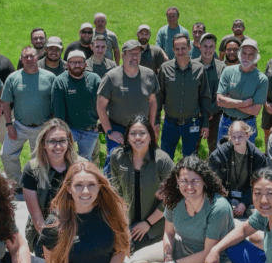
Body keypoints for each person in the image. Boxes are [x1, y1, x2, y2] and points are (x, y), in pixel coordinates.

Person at [40, 162, 173, 263]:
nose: (85, 190)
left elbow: (120, 250)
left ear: (99, 186)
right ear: (69, 188)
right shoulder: (55, 223)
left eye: (91, 184)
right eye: (78, 185)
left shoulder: (110, 211)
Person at [132, 156, 235, 263]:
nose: (189, 186)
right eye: (184, 181)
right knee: (134, 261)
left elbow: (208, 252)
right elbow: (168, 233)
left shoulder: (218, 208)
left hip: (211, 262)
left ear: (204, 181)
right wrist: (168, 257)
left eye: (195, 181)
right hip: (182, 247)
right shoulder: (174, 199)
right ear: (177, 180)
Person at [109, 117, 175, 250]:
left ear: (151, 136)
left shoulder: (163, 161)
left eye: (142, 133)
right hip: (126, 222)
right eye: (133, 133)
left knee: (128, 252)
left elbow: (172, 197)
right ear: (127, 137)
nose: (137, 137)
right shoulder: (117, 156)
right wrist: (122, 224)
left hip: (154, 225)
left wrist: (147, 223)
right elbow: (115, 192)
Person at [22, 119, 85, 255]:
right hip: (46, 231)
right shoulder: (32, 169)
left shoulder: (81, 167)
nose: (58, 146)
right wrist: (54, 242)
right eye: (52, 141)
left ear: (69, 142)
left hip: (77, 229)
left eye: (62, 140)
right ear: (43, 144)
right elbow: (37, 218)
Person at [97, 40, 160, 172]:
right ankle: (108, 188)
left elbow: (152, 102)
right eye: (131, 53)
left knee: (143, 161)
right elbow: (101, 105)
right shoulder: (111, 77)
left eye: (137, 53)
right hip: (118, 129)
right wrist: (109, 131)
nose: (135, 57)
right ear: (123, 55)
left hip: (141, 129)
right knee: (114, 160)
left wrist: (152, 126)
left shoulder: (149, 75)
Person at [0, 46, 56, 191]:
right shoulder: (13, 78)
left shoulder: (50, 77)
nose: (29, 59)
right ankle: (17, 184)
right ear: (21, 59)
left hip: (42, 127)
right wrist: (8, 125)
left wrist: (54, 126)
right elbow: (5, 103)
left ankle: (39, 186)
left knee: (40, 160)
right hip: (19, 126)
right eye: (25, 57)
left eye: (32, 56)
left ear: (38, 57)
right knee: (6, 154)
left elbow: (56, 103)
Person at [157, 33, 211, 158]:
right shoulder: (165, 69)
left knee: (190, 160)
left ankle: (186, 178)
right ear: (173, 50)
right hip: (170, 123)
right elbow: (159, 97)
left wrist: (205, 124)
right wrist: (155, 122)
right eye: (177, 49)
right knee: (165, 158)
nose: (180, 52)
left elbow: (204, 97)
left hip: (192, 123)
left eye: (183, 48)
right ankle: (169, 178)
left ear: (190, 48)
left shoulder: (199, 69)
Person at [208, 120, 268, 218]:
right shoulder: (218, 155)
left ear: (247, 136)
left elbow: (258, 183)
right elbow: (215, 183)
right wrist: (226, 202)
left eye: (240, 137)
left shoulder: (258, 157)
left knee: (256, 214)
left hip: (248, 196)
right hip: (225, 195)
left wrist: (244, 203)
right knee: (221, 211)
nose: (237, 140)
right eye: (233, 137)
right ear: (229, 137)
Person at [52, 51, 103, 160]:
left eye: (80, 62)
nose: (77, 65)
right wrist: (62, 132)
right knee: (64, 158)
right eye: (73, 62)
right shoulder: (60, 81)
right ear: (67, 64)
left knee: (86, 161)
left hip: (90, 130)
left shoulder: (95, 79)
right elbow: (58, 110)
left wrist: (101, 122)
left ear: (85, 64)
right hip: (69, 130)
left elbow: (103, 103)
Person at [216, 39, 268, 144]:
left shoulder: (262, 79)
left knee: (245, 157)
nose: (246, 57)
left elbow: (255, 111)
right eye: (244, 53)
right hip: (226, 122)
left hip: (247, 123)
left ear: (256, 56)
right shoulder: (228, 71)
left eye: (250, 54)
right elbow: (220, 101)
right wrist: (243, 104)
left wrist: (230, 102)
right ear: (239, 54)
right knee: (222, 157)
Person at [196, 33, 226, 155]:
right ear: (199, 47)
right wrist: (201, 112)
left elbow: (225, 94)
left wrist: (209, 111)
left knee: (215, 149)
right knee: (192, 147)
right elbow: (189, 92)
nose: (208, 50)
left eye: (211, 47)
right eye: (205, 46)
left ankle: (213, 173)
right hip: (195, 115)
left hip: (216, 116)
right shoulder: (192, 66)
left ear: (215, 48)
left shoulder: (222, 68)